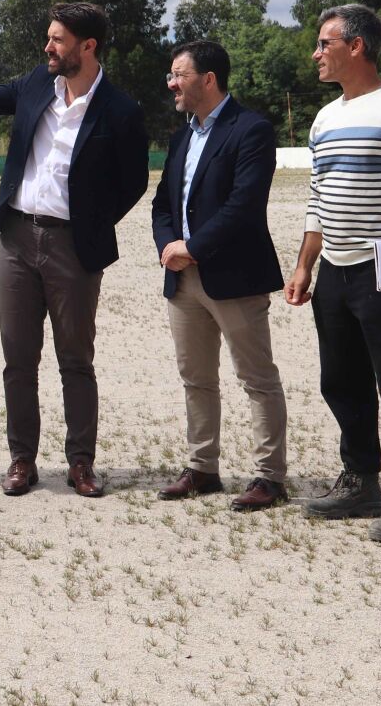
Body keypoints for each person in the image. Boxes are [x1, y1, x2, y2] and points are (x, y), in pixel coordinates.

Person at [0, 4, 148, 498]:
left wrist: (91, 223)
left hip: (75, 246)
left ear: (88, 47)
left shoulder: (121, 110)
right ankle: (22, 460)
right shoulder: (36, 84)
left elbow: (134, 182)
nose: (47, 48)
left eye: (57, 39)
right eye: (48, 38)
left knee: (76, 360)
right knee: (18, 358)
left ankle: (81, 463)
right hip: (16, 240)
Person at [285, 3, 381, 542]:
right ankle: (360, 481)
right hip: (336, 267)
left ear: (357, 46)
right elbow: (318, 197)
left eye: (324, 43)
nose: (316, 54)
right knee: (342, 380)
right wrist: (306, 264)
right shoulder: (325, 118)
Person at [150, 41, 289, 511]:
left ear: (208, 79)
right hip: (183, 281)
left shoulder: (251, 130)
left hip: (235, 277)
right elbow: (162, 204)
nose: (171, 83)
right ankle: (202, 468)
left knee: (256, 378)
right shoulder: (180, 136)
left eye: (178, 74)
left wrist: (192, 247)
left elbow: (244, 206)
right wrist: (169, 248)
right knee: (196, 378)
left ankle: (269, 477)